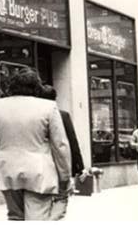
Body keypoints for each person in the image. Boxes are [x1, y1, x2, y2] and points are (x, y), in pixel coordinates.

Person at [0, 69, 72, 221]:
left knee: (15, 217)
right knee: (37, 217)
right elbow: (60, 145)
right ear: (36, 87)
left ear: (11, 87)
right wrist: (65, 177)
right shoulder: (48, 107)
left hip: (7, 170)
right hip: (39, 172)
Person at [39, 84, 83, 220]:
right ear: (55, 98)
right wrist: (79, 166)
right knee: (62, 195)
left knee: (43, 198)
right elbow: (72, 140)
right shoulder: (63, 115)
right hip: (60, 163)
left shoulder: (36, 115)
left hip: (42, 163)